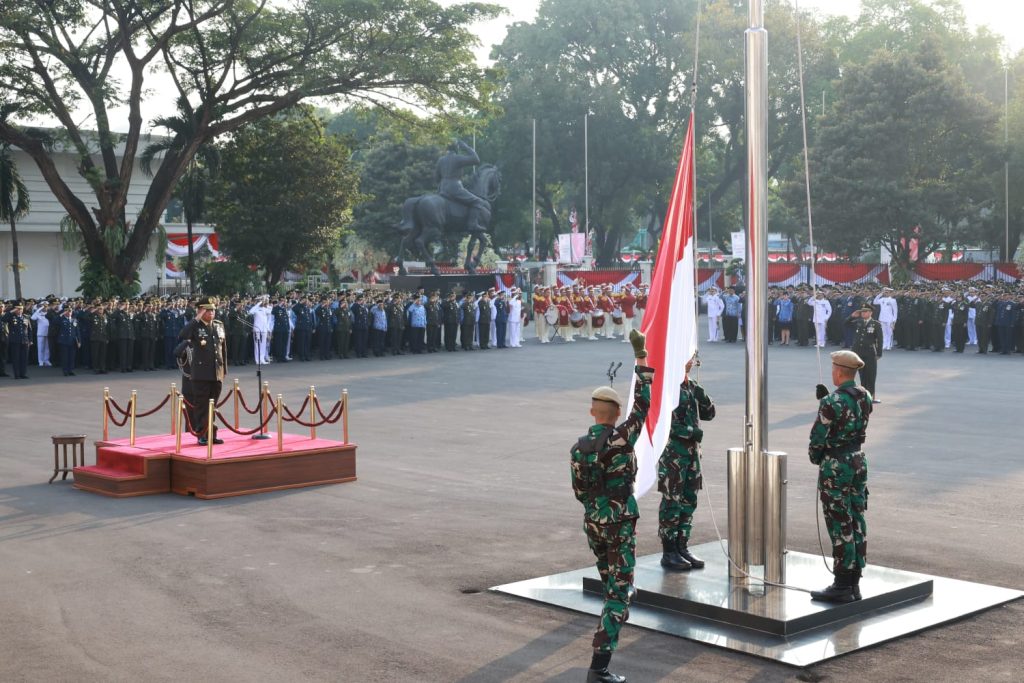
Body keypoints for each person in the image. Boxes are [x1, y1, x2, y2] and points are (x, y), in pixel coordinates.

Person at [569, 330, 653, 683]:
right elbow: (644, 405)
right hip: (619, 522)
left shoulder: (577, 448)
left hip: (593, 522)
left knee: (611, 583)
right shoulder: (622, 437)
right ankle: (598, 669)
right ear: (616, 414)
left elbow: (579, 491)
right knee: (619, 593)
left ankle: (615, 611)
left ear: (592, 412)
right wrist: (641, 357)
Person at [809, 350, 873, 604]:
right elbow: (853, 417)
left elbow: (817, 440)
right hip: (858, 460)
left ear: (838, 371)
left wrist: (825, 403)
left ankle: (842, 582)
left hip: (836, 464)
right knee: (856, 516)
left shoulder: (831, 402)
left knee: (839, 521)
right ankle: (854, 579)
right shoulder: (864, 395)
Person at [658, 353, 715, 571]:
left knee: (689, 499)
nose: (691, 361)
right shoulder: (669, 388)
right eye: (687, 357)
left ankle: (682, 545)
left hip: (691, 456)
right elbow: (666, 424)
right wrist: (693, 432)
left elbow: (710, 413)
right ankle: (669, 550)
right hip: (673, 456)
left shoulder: (691, 386)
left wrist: (701, 394)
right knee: (672, 501)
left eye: (692, 357)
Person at [177, 296, 228, 446]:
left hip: (216, 372)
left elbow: (223, 349)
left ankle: (212, 433)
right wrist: (196, 319)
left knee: (213, 405)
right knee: (201, 406)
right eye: (208, 310)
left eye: (213, 310)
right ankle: (201, 434)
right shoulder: (195, 327)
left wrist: (224, 369)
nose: (212, 312)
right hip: (201, 374)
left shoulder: (218, 325)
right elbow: (182, 335)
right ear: (200, 311)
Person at [850, 305, 883, 402]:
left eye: (865, 311)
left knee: (871, 375)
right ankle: (863, 395)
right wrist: (852, 316)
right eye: (862, 312)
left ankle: (871, 397)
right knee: (862, 375)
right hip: (858, 352)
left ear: (870, 313)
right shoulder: (858, 322)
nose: (863, 313)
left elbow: (879, 340)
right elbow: (845, 324)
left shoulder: (876, 324)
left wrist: (879, 353)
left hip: (869, 353)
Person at [5, 302, 32, 379]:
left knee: (24, 358)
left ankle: (23, 374)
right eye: (18, 309)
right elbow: (3, 319)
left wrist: (30, 340)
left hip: (25, 340)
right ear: (15, 309)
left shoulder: (26, 317)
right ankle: (17, 374)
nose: (20, 310)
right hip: (15, 341)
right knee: (16, 358)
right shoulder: (11, 317)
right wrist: (11, 311)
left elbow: (29, 329)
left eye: (21, 309)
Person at [57, 306, 81, 376]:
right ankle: (65, 370)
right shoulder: (61, 319)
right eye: (67, 311)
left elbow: (77, 331)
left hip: (72, 341)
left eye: (70, 311)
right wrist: (62, 314)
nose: (69, 312)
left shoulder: (74, 320)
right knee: (65, 357)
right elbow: (54, 321)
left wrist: (79, 341)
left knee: (72, 357)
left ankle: (70, 370)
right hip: (64, 341)